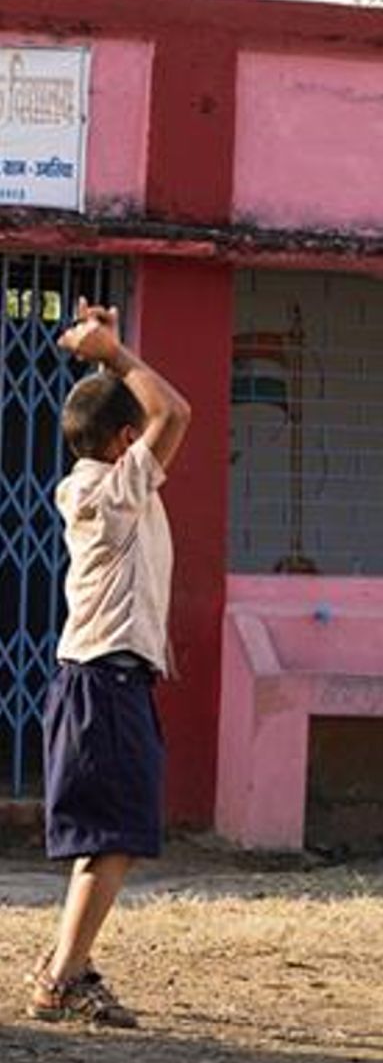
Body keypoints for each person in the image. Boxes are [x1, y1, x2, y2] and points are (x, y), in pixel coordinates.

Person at [29, 299, 191, 1028]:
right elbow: (176, 412)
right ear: (127, 440)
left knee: (108, 836)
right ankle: (61, 978)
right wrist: (120, 358)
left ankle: (72, 965)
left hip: (110, 677)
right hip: (103, 681)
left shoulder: (105, 486)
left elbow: (142, 414)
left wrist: (103, 355)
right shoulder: (109, 488)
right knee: (113, 839)